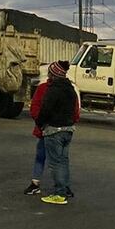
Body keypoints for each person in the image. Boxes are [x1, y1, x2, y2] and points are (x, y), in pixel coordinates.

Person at [26, 62, 81, 196]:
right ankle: (65, 188)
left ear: (53, 74)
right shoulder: (71, 89)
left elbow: (41, 109)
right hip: (67, 129)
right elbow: (76, 111)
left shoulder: (49, 89)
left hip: (51, 130)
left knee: (49, 160)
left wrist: (41, 124)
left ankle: (57, 191)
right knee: (63, 160)